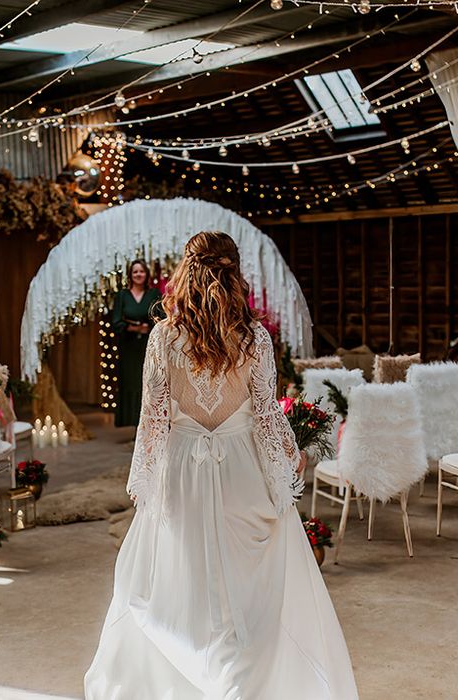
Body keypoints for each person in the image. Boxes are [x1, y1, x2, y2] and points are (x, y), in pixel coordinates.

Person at [85, 232, 358, 699]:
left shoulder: (162, 337)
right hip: (241, 472)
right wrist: (286, 467)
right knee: (248, 593)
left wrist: (144, 484)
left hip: (182, 471)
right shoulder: (254, 339)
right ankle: (241, 683)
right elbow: (267, 414)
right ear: (236, 276)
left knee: (183, 583)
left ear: (184, 274)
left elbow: (152, 419)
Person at [111, 259, 163, 427]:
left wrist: (147, 329)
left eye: (141, 271)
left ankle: (149, 424)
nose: (138, 274)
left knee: (148, 382)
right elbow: (116, 322)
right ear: (130, 275)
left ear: (146, 274)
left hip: (149, 347)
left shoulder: (154, 294)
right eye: (135, 272)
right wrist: (133, 329)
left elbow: (162, 319)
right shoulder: (122, 295)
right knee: (131, 383)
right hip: (128, 348)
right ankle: (134, 424)